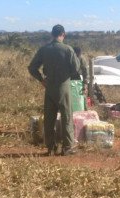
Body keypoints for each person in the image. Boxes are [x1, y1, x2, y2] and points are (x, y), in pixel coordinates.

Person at [28, 24, 80, 156]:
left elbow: (32, 67)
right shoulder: (68, 49)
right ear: (63, 34)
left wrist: (41, 79)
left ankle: (50, 147)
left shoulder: (44, 49)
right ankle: (67, 147)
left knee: (49, 118)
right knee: (66, 116)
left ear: (52, 35)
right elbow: (76, 68)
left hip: (49, 86)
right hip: (64, 86)